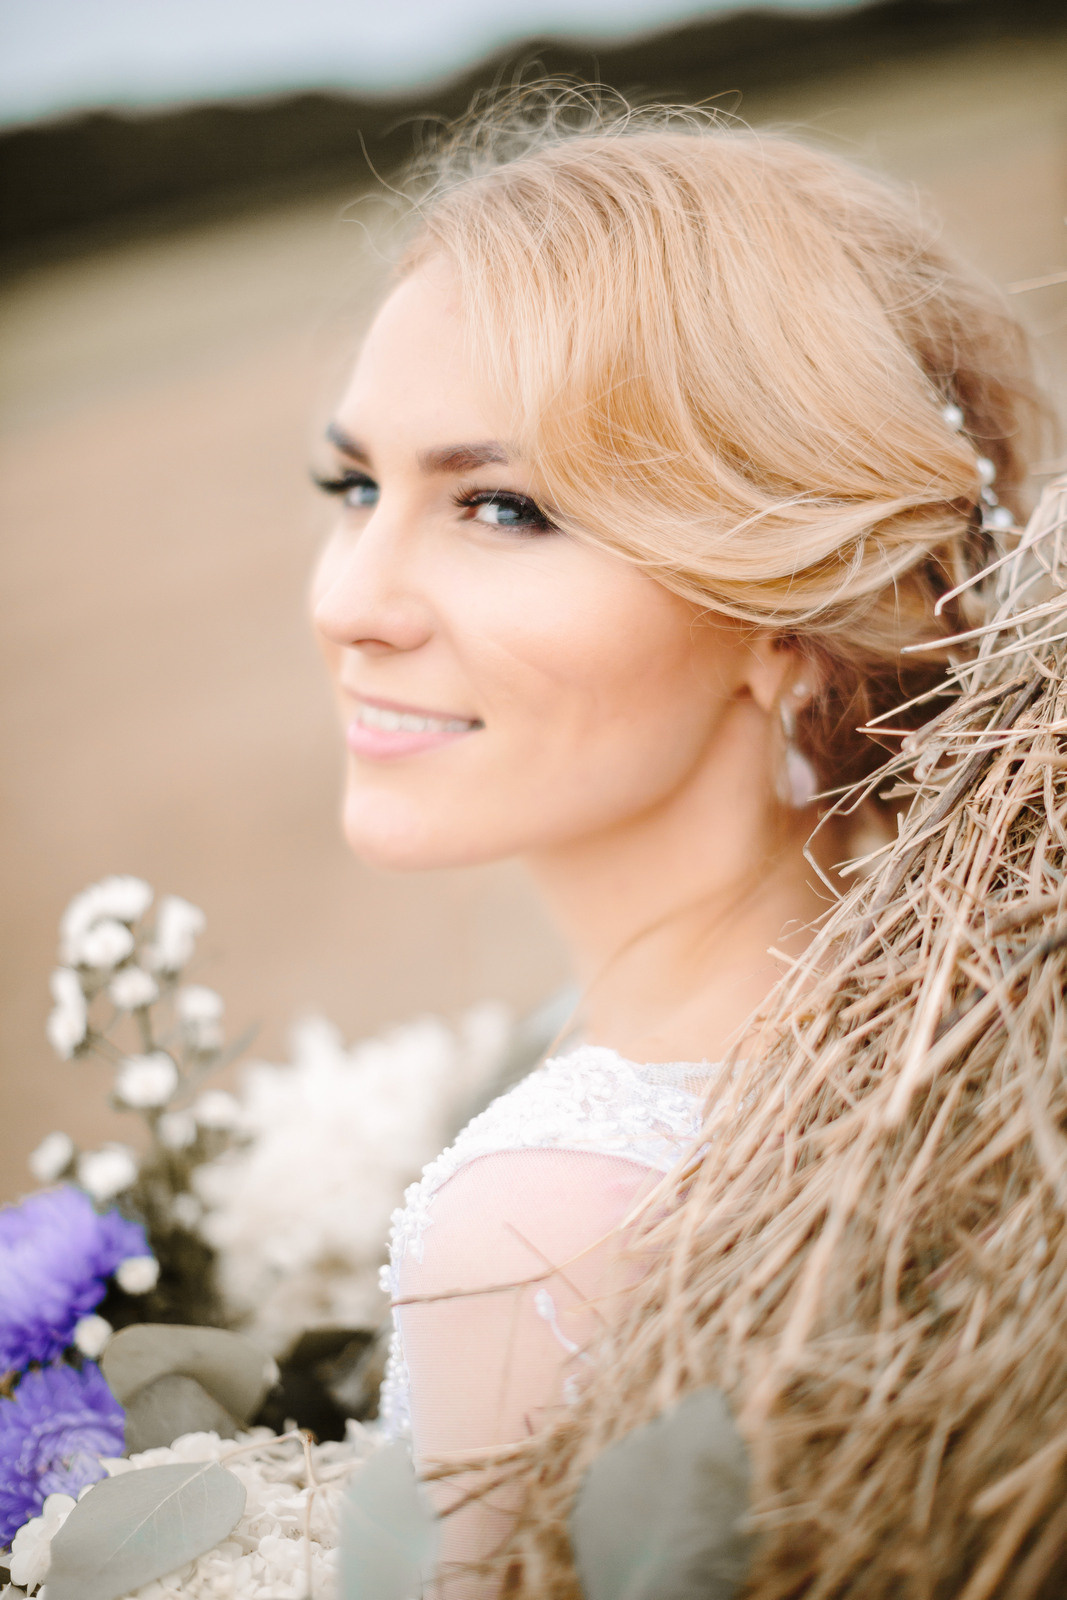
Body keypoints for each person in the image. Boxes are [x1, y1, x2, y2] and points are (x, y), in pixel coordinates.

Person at [308, 93, 1044, 1595]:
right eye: (357, 487)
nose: (351, 601)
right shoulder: (948, 1006)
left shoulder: (538, 1223)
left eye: (502, 506)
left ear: (791, 612)